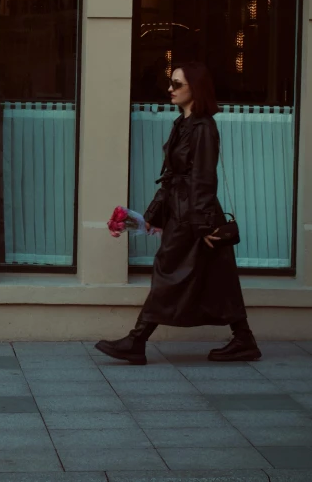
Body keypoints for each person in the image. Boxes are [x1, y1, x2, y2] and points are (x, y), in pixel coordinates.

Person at [95, 62, 261, 365]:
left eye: (176, 83)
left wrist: (199, 225)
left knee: (167, 271)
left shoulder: (203, 128)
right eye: (170, 83)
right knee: (217, 276)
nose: (169, 89)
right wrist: (148, 217)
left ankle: (137, 340)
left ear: (194, 88)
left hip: (194, 215)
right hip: (185, 212)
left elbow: (204, 178)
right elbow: (172, 177)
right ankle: (244, 339)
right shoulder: (182, 124)